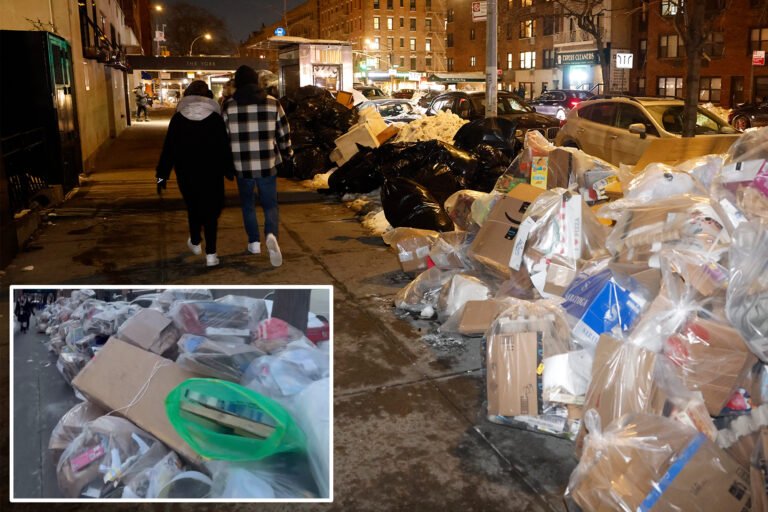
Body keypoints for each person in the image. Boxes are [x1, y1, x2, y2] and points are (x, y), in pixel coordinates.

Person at [156, 80, 235, 267]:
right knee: (211, 212)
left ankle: (195, 240)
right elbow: (224, 147)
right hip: (212, 172)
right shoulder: (215, 119)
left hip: (186, 172)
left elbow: (169, 148)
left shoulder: (178, 119)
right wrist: (228, 170)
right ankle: (211, 255)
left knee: (193, 206)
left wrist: (162, 175)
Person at [222, 65, 293, 267]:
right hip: (267, 163)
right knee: (270, 204)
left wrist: (226, 163)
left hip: (241, 165)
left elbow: (223, 137)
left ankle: (253, 243)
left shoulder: (228, 106)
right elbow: (284, 132)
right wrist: (287, 154)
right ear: (256, 81)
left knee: (247, 205)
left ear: (237, 82)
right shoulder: (272, 103)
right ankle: (271, 235)